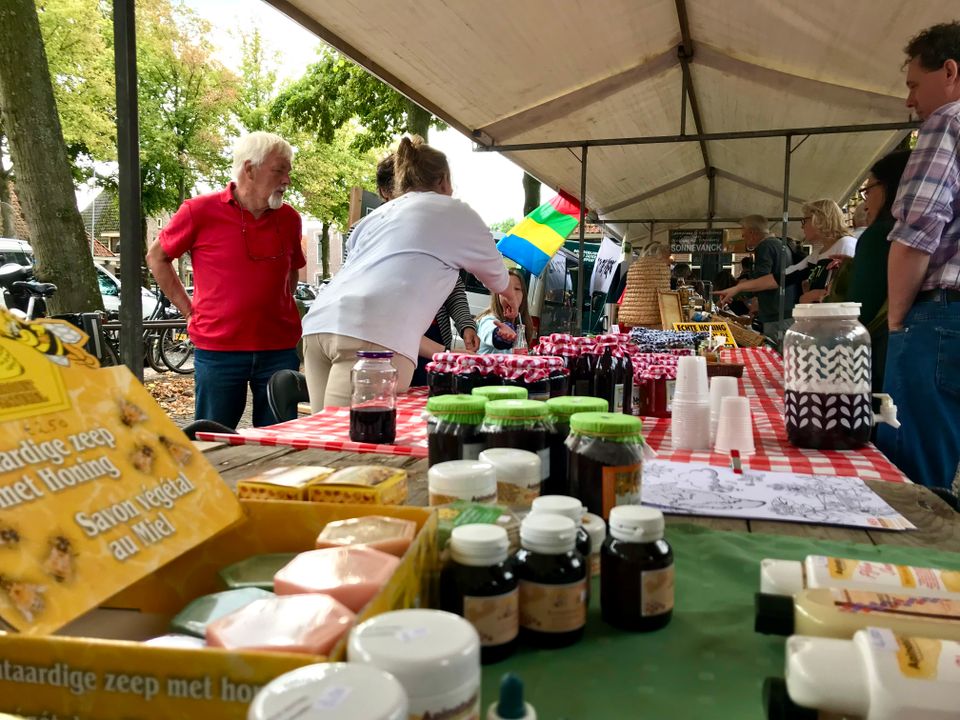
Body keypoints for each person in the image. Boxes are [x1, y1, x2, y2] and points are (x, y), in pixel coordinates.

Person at [301, 135, 508, 410]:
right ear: (444, 180)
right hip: (370, 335)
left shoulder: (375, 217)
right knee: (356, 440)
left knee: (324, 433)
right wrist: (509, 295)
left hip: (319, 324)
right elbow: (497, 276)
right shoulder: (453, 210)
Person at [146, 132, 304, 428]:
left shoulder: (290, 219)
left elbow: (292, 270)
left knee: (279, 443)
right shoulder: (199, 211)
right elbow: (157, 257)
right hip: (219, 349)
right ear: (250, 169)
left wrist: (276, 306)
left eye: (288, 171)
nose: (287, 180)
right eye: (279, 170)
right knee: (214, 440)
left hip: (279, 349)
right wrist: (188, 309)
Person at [876, 22, 960, 490]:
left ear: (949, 71)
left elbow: (915, 233)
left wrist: (898, 325)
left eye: (913, 84)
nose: (910, 100)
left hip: (944, 317)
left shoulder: (947, 121)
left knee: (913, 481)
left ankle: (914, 563)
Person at [365, 154, 479, 386]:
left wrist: (466, 324)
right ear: (385, 192)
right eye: (402, 188)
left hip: (432, 334)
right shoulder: (367, 230)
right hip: (390, 340)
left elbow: (452, 284)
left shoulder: (432, 228)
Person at [843, 151, 912, 392]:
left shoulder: (880, 234)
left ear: (887, 187)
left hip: (882, 359)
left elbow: (858, 310)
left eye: (868, 190)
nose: (865, 202)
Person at [714, 215, 795, 341]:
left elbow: (761, 280)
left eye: (743, 231)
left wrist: (735, 294)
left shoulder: (765, 246)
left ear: (752, 232)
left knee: (776, 354)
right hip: (784, 311)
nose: (742, 236)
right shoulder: (780, 244)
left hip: (775, 314)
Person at [789, 200, 858, 304]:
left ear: (819, 219)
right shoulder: (818, 253)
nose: (802, 226)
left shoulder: (846, 244)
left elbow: (849, 290)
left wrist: (812, 295)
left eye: (804, 220)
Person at [476, 268, 533, 354]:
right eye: (506, 289)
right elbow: (491, 332)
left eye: (517, 289)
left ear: (523, 295)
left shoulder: (522, 325)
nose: (512, 294)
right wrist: (499, 334)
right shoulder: (489, 320)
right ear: (497, 295)